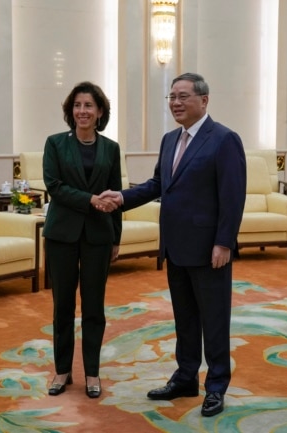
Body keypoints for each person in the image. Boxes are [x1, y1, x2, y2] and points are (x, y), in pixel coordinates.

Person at [100, 73, 246, 416]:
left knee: (214, 320)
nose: (175, 103)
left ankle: (216, 386)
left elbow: (233, 196)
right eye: (171, 97)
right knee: (185, 319)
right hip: (176, 247)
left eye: (183, 96)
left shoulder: (224, 139)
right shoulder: (169, 140)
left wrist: (224, 242)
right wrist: (121, 196)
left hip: (210, 250)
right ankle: (185, 377)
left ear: (204, 100)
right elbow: (157, 185)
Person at [42, 81, 122, 399]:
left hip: (99, 237)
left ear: (100, 111)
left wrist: (116, 237)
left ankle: (92, 373)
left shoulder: (111, 149)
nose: (82, 111)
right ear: (70, 110)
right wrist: (90, 200)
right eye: (77, 105)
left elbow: (116, 195)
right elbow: (55, 186)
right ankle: (62, 371)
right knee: (62, 306)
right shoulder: (55, 144)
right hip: (61, 235)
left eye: (89, 105)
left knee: (93, 307)